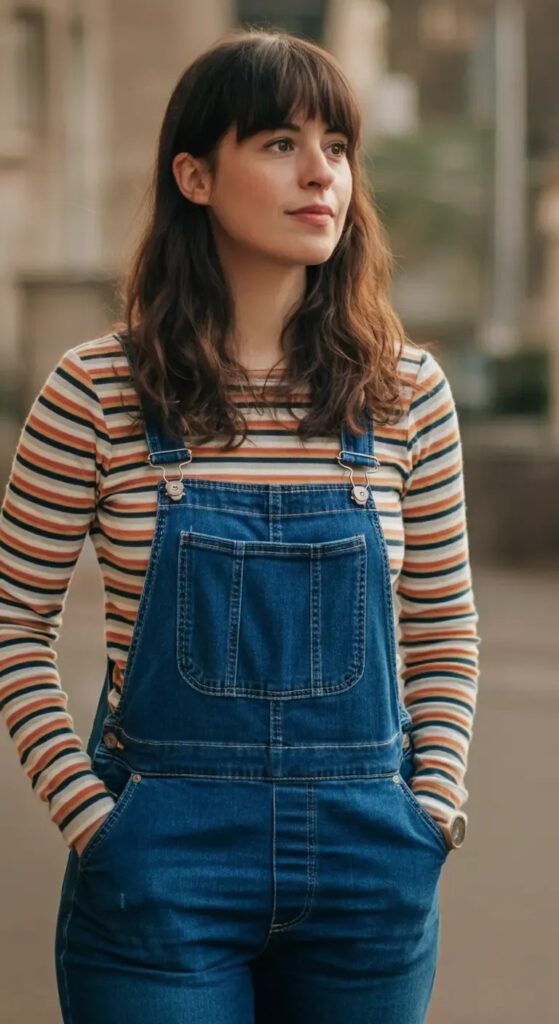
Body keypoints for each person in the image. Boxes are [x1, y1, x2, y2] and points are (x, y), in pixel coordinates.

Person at [0, 24, 480, 1024]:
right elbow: (12, 624)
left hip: (369, 868)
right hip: (159, 865)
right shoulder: (94, 391)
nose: (322, 175)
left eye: (337, 147)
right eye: (278, 143)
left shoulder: (407, 395)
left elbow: (442, 631)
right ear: (194, 175)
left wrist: (426, 810)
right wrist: (94, 820)